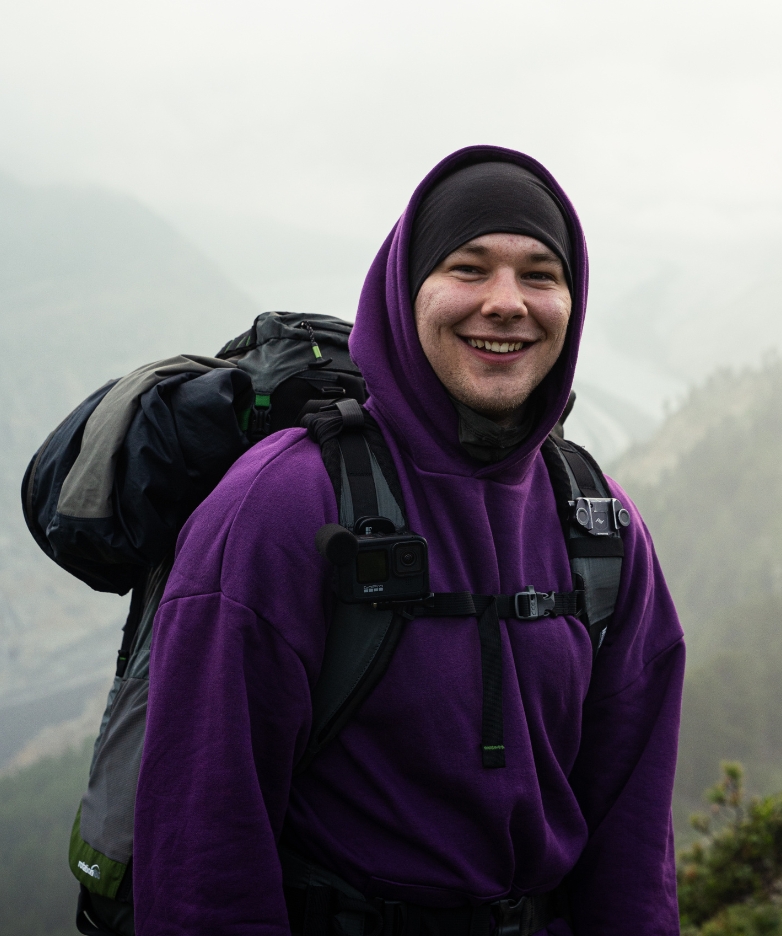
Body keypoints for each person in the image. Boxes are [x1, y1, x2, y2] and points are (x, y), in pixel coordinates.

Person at [133, 145, 685, 935]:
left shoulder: (598, 523)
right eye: (468, 268)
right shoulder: (283, 505)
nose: (506, 302)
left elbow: (634, 844)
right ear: (404, 291)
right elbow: (204, 849)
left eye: (540, 275)